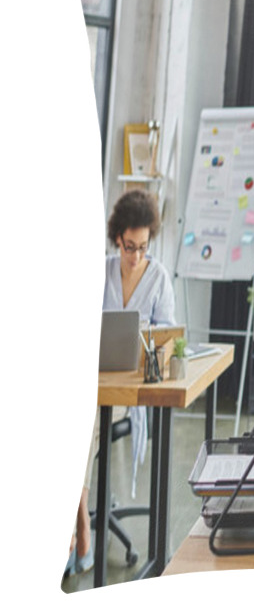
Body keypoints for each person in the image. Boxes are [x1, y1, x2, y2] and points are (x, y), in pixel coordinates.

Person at [64, 189, 176, 578]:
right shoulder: (100, 270)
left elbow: (168, 338)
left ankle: (76, 533)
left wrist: (153, 354)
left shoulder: (159, 278)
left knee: (79, 429)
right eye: (130, 247)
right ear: (117, 239)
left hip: (129, 392)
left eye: (144, 247)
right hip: (91, 381)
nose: (136, 256)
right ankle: (79, 526)